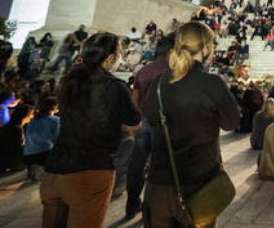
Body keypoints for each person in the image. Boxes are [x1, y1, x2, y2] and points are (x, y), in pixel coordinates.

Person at [141, 22, 240, 228]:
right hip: (200, 184)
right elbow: (232, 123)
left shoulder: (159, 82)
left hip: (159, 183)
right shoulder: (212, 83)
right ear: (205, 48)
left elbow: (150, 118)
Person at [41, 33, 141, 228]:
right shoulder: (114, 86)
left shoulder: (69, 80)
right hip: (90, 172)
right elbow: (133, 122)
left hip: (53, 169)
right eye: (120, 52)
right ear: (111, 58)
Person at [124, 32, 175, 219]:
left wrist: (143, 115)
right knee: (161, 168)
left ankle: (132, 203)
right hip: (165, 126)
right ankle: (154, 209)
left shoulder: (144, 70)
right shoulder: (173, 72)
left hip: (145, 122)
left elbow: (134, 99)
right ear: (171, 51)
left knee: (137, 165)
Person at [23, 96, 59, 181]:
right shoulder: (55, 120)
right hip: (44, 154)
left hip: (29, 154)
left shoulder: (32, 120)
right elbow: (57, 140)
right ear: (55, 107)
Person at [0, 103, 32, 174]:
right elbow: (20, 147)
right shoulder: (18, 129)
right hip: (14, 163)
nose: (32, 117)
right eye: (31, 114)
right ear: (25, 116)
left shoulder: (8, 125)